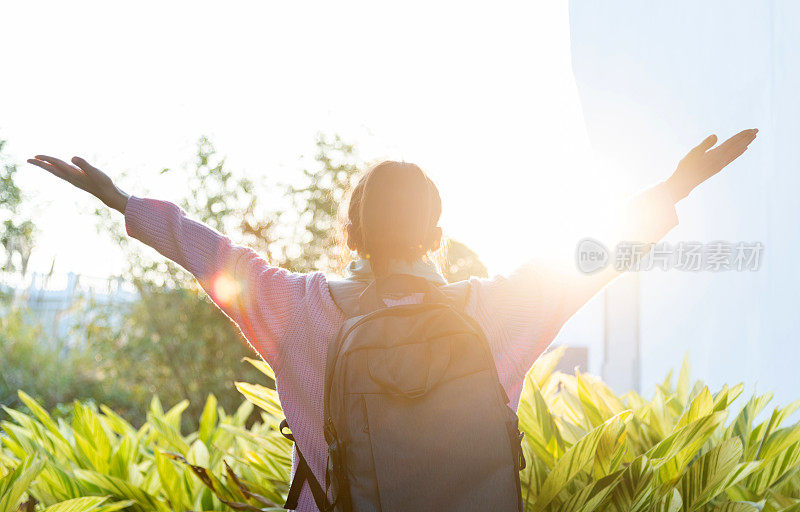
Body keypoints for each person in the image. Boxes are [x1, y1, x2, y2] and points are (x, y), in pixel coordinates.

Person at [27, 128, 757, 511]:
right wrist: (670, 189)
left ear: (352, 233)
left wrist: (122, 201)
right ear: (437, 234)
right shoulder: (494, 310)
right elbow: (590, 258)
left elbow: (210, 254)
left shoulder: (298, 312)